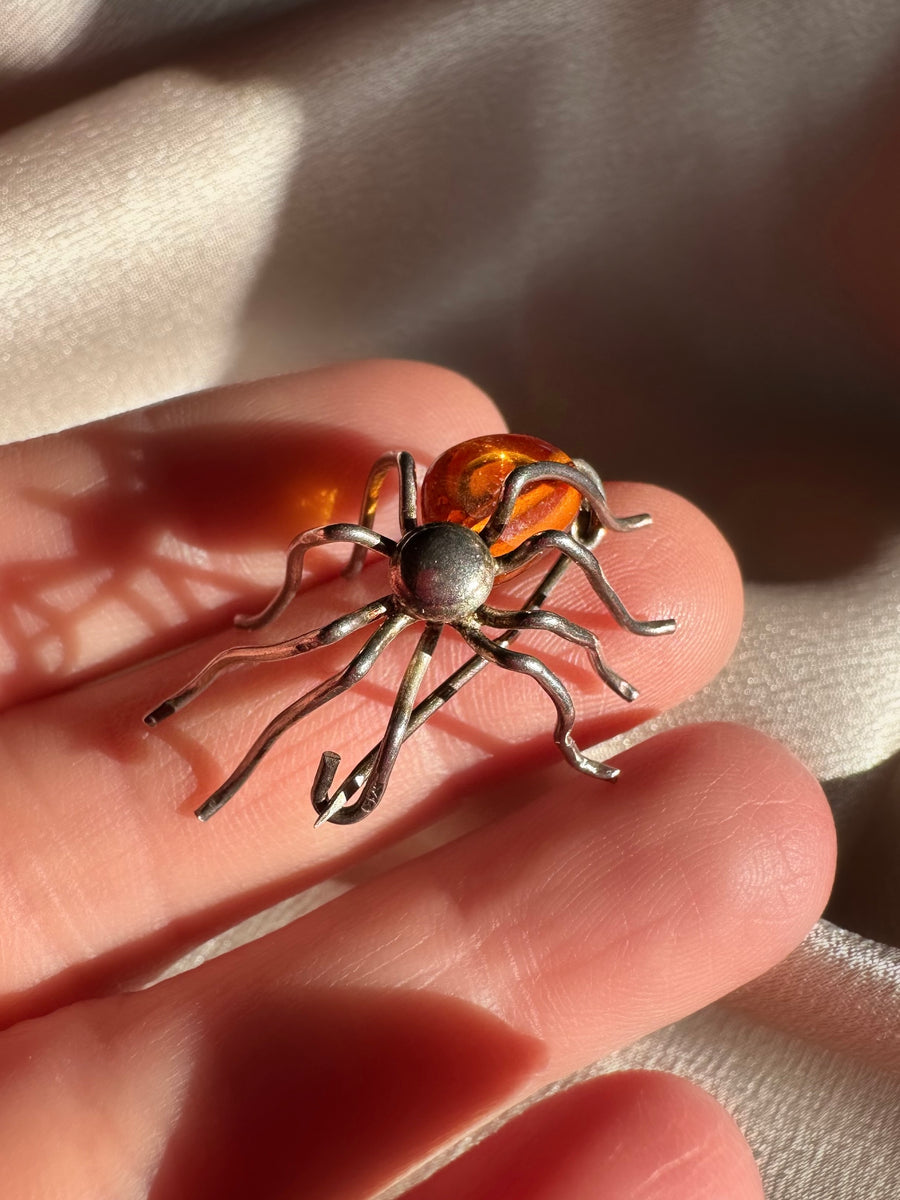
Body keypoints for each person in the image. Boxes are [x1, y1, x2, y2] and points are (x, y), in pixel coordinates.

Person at [0, 359, 835, 1197]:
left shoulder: (524, 559)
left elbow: (556, 621)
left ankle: (244, 761)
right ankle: (217, 746)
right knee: (310, 661)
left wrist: (605, 637)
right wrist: (304, 580)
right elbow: (319, 542)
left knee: (529, 662)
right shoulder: (397, 555)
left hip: (496, 528)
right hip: (444, 533)